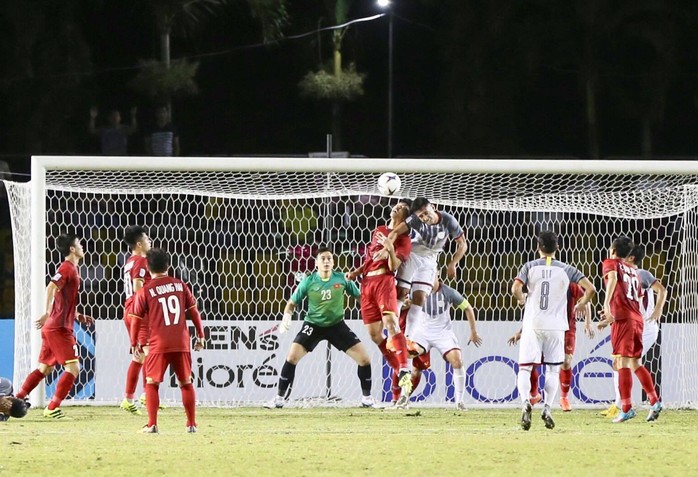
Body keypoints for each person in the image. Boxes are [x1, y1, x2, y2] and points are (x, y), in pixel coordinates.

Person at [266, 246, 374, 408]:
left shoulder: (342, 279)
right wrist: (286, 317)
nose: (326, 261)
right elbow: (291, 303)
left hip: (337, 326)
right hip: (313, 325)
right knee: (291, 358)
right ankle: (279, 398)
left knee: (364, 359)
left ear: (333, 262)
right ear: (316, 263)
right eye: (322, 259)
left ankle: (367, 399)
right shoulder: (308, 281)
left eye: (329, 258)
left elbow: (360, 298)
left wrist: (371, 313)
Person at [511, 230, 596, 431]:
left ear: (538, 247)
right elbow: (591, 289)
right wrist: (582, 303)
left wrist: (523, 300)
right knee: (552, 369)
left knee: (525, 368)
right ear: (557, 248)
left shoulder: (529, 266)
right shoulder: (568, 269)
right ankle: (548, 407)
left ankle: (525, 403)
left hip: (533, 324)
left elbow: (515, 288)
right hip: (557, 327)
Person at [15, 234, 93, 419]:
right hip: (58, 327)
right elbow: (51, 288)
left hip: (54, 326)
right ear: (72, 249)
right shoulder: (67, 268)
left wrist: (77, 315)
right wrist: (47, 312)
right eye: (79, 243)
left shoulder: (72, 269)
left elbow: (64, 300)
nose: (82, 246)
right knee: (73, 369)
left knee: (45, 369)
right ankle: (52, 408)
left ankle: (15, 400)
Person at [129, 248, 205, 433]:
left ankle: (152, 424)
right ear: (168, 266)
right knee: (185, 382)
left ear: (148, 268)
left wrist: (134, 343)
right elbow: (194, 311)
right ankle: (191, 424)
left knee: (152, 383)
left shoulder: (146, 291)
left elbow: (135, 319)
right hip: (181, 341)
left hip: (158, 343)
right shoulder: (180, 285)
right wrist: (201, 335)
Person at [347, 200, 413, 408]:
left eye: (401, 207)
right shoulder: (379, 230)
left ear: (405, 216)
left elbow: (394, 266)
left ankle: (404, 367)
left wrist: (390, 248)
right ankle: (399, 371)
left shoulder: (404, 239)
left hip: (384, 282)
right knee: (375, 335)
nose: (396, 207)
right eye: (396, 204)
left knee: (391, 324)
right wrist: (357, 272)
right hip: (367, 284)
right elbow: (370, 257)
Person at [386, 197, 467, 350]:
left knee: (420, 297)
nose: (424, 218)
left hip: (430, 259)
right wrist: (388, 247)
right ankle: (392, 336)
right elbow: (396, 231)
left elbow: (463, 244)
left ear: (433, 207)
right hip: (413, 255)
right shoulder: (415, 220)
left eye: (425, 213)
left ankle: (408, 339)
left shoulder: (449, 220)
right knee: (401, 293)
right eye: (420, 216)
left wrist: (453, 263)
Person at [599, 242, 667, 421]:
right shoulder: (635, 273)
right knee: (635, 362)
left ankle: (626, 407)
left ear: (613, 250)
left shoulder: (611, 263)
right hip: (637, 319)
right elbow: (634, 298)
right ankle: (654, 400)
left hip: (625, 321)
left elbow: (612, 279)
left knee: (621, 363)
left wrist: (607, 304)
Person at [394, 277, 483, 409]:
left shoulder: (448, 292)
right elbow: (404, 303)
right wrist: (406, 304)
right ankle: (403, 397)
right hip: (422, 332)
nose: (428, 279)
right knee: (407, 355)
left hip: (443, 333)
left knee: (457, 360)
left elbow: (468, 308)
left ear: (437, 277)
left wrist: (473, 332)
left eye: (432, 276)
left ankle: (459, 402)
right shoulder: (417, 290)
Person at [508, 282, 594, 412]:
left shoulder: (569, 284)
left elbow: (586, 298)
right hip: (545, 328)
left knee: (565, 362)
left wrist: (588, 323)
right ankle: (534, 395)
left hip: (567, 328)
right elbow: (533, 314)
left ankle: (564, 398)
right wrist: (520, 332)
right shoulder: (542, 285)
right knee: (531, 363)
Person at [119, 226, 152, 415]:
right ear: (139, 244)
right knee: (149, 352)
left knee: (139, 355)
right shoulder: (140, 260)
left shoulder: (130, 261)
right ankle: (147, 395)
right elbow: (138, 285)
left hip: (129, 309)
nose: (150, 242)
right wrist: (144, 307)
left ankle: (129, 399)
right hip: (138, 310)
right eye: (147, 239)